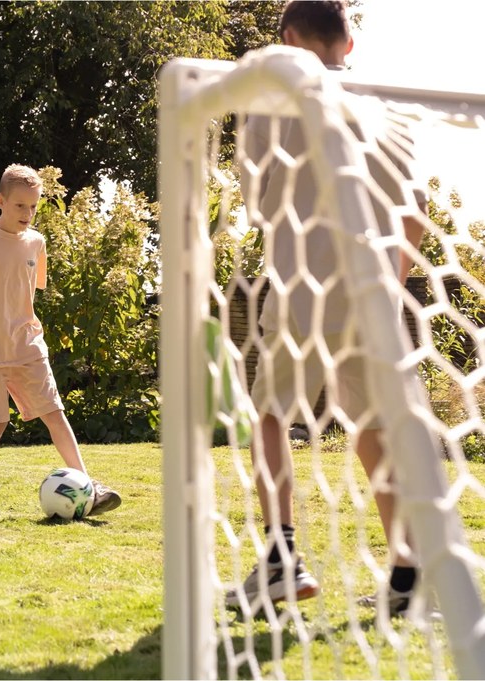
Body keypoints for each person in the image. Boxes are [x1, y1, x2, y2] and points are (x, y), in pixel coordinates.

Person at [228, 0, 428, 617]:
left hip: (301, 285)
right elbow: (415, 214)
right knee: (373, 428)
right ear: (349, 43)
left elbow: (256, 201)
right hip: (371, 294)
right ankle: (408, 575)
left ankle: (282, 558)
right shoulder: (384, 107)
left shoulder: (273, 100)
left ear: (288, 38)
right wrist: (389, 286)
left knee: (269, 414)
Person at [0, 164, 122, 520]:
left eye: (33, 206)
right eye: (20, 205)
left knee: (55, 414)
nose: (27, 213)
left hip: (27, 346)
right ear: (0, 201)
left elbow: (25, 291)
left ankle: (89, 487)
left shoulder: (37, 242)